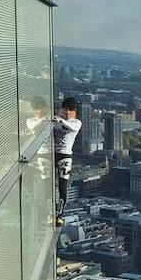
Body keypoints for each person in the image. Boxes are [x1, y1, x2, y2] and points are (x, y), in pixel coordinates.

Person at [53, 97, 82, 226]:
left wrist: (60, 120)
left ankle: (60, 214)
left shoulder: (76, 123)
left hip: (65, 156)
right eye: (66, 110)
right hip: (52, 154)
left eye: (71, 110)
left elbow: (70, 127)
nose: (68, 113)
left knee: (63, 185)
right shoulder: (56, 120)